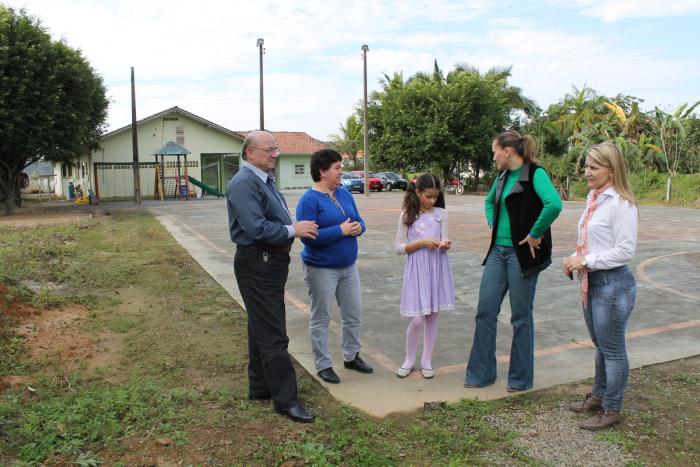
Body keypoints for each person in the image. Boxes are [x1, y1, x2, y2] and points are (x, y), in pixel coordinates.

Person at [226, 130, 319, 423]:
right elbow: (256, 228)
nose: (275, 154)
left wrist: (289, 226)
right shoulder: (244, 183)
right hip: (258, 263)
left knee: (260, 325)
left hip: (269, 263)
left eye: (276, 149)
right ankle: (286, 399)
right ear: (249, 153)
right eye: (269, 150)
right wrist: (294, 229)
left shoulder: (264, 179)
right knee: (274, 331)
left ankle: (260, 386)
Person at [465, 129, 562, 392]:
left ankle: (520, 380)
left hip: (522, 256)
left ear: (508, 151)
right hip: (498, 252)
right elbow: (488, 203)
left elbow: (554, 204)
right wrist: (493, 223)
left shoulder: (535, 174)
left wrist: (534, 233)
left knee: (520, 317)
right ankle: (481, 374)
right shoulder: (502, 176)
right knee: (485, 312)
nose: (493, 156)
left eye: (495, 151)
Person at [563, 142, 638, 430]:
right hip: (593, 282)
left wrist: (585, 260)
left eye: (594, 167)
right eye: (586, 166)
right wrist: (574, 259)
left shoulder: (621, 203)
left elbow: (624, 251)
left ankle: (612, 408)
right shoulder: (594, 198)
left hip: (613, 284)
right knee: (601, 346)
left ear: (612, 169)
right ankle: (598, 395)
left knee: (613, 349)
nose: (587, 172)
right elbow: (592, 241)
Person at [296, 149, 373, 384]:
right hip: (321, 268)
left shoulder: (344, 194)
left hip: (348, 266)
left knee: (353, 314)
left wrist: (359, 227)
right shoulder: (308, 201)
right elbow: (308, 236)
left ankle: (351, 356)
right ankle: (323, 364)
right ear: (322, 171)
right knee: (321, 316)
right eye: (337, 168)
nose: (341, 172)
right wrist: (341, 230)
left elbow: (358, 220)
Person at [394, 174, 455, 379]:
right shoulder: (407, 216)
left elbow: (444, 239)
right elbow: (398, 248)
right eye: (428, 196)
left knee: (432, 315)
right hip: (417, 269)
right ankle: (409, 358)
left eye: (435, 197)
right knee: (418, 319)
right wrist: (420, 243)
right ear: (417, 192)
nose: (432, 200)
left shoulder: (442, 214)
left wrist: (445, 245)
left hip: (437, 267)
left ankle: (426, 360)